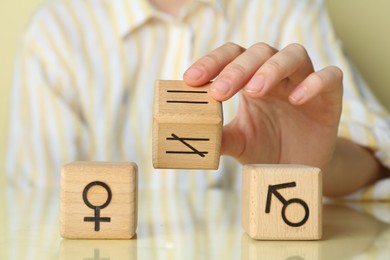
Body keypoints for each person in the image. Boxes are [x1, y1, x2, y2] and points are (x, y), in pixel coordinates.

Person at [6, 0, 390, 198]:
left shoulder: (286, 9)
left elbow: (380, 159)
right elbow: (36, 208)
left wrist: (321, 165)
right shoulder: (57, 32)